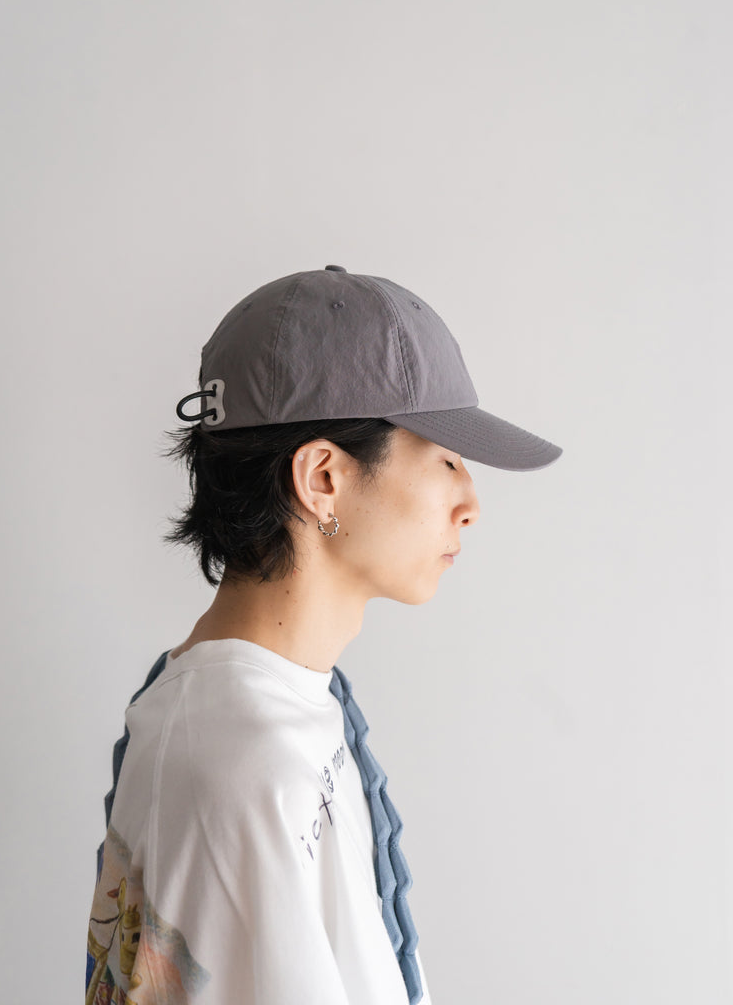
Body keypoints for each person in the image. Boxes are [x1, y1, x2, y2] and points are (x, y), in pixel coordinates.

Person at [85, 264, 562, 1005]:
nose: (471, 501)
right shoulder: (238, 760)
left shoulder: (271, 709)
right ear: (322, 479)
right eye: (445, 457)